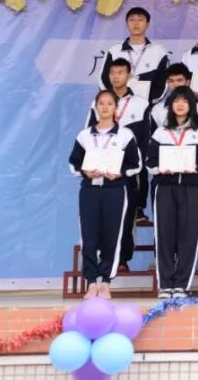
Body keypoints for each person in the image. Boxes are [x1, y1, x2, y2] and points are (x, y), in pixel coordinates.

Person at [69, 90, 142, 299]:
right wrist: (85, 172)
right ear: (95, 107)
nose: (105, 107)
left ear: (115, 108)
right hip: (90, 191)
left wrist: (119, 173)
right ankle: (91, 281)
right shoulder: (84, 135)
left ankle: (106, 282)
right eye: (101, 103)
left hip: (115, 190)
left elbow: (135, 164)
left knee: (113, 235)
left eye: (110, 103)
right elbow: (74, 163)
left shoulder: (125, 135)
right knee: (88, 236)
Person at [146, 86, 198, 299]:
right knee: (164, 235)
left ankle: (182, 284)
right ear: (170, 105)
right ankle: (165, 284)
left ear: (191, 105)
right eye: (176, 100)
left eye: (185, 101)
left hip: (192, 188)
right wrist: (160, 169)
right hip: (164, 187)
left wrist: (195, 166)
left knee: (188, 236)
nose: (180, 104)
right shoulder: (160, 132)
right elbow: (150, 160)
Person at [89, 58, 150, 236]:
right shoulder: (98, 103)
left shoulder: (141, 104)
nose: (116, 77)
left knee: (128, 216)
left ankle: (124, 255)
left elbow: (145, 138)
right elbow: (89, 134)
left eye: (120, 72)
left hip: (129, 168)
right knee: (102, 218)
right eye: (112, 73)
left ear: (129, 75)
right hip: (103, 166)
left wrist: (136, 161)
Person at [98, 7, 169, 103]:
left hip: (147, 105)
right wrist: (114, 100)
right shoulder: (114, 50)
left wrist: (147, 102)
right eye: (132, 20)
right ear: (126, 24)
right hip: (118, 105)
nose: (136, 23)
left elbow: (162, 81)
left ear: (148, 24)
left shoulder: (159, 51)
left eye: (140, 20)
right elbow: (104, 79)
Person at [148, 63, 198, 136]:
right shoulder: (157, 109)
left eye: (179, 80)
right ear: (167, 83)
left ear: (188, 82)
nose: (175, 84)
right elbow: (152, 135)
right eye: (171, 81)